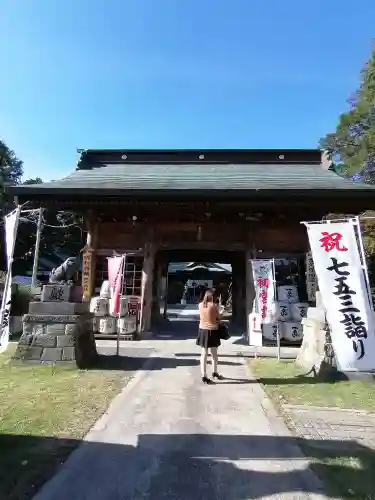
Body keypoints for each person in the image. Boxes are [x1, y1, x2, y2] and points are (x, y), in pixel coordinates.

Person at [197, 289, 224, 384]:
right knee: (214, 353)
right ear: (212, 297)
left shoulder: (200, 305)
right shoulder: (213, 306)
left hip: (202, 330)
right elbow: (218, 317)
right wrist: (221, 310)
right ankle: (215, 372)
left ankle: (204, 375)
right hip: (213, 330)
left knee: (204, 353)